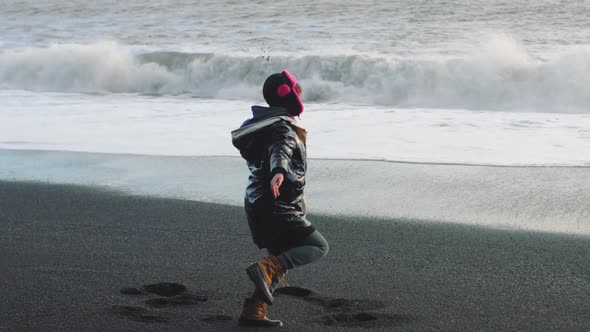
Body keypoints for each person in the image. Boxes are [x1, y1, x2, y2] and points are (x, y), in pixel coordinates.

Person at [231, 70, 329, 327]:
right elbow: (281, 149)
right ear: (288, 95)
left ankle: (255, 310)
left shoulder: (265, 126)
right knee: (317, 246)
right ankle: (266, 269)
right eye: (296, 89)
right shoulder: (282, 128)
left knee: (280, 255)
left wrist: (278, 174)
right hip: (275, 202)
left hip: (258, 201)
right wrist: (279, 172)